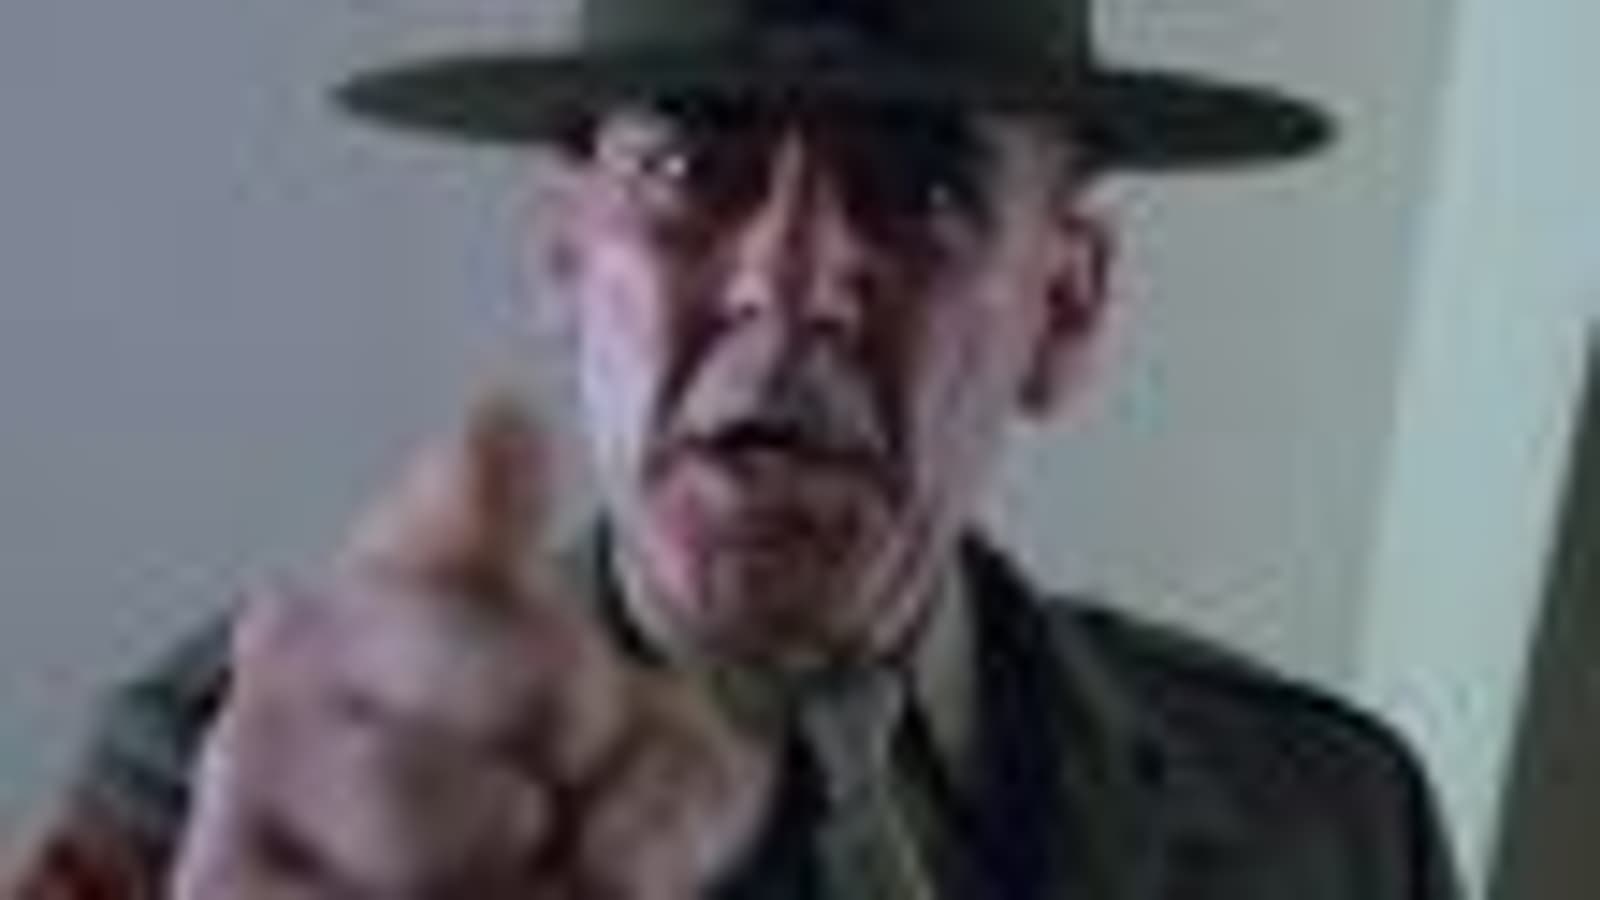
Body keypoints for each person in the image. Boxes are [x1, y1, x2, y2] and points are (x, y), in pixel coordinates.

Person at [10, 0, 1461, 897]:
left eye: (920, 190)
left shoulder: (1327, 825)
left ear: (1064, 308)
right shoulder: (231, 781)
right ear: (567, 258)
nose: (792, 278)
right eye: (691, 170)